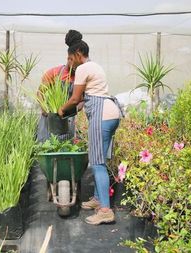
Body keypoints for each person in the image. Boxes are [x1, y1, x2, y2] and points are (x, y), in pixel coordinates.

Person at [58, 30, 124, 225]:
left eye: (71, 59)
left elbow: (76, 99)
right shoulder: (95, 66)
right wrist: (75, 107)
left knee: (96, 163)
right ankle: (98, 198)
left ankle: (105, 210)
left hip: (101, 115)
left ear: (78, 53)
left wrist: (61, 109)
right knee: (100, 159)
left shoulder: (82, 69)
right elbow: (84, 101)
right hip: (111, 113)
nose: (70, 63)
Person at [36, 31, 84, 143]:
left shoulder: (81, 77)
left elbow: (81, 100)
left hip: (68, 120)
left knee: (67, 147)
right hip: (50, 119)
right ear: (69, 59)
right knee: (46, 146)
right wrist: (46, 111)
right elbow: (40, 93)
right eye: (76, 63)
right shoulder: (54, 73)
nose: (78, 67)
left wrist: (72, 110)